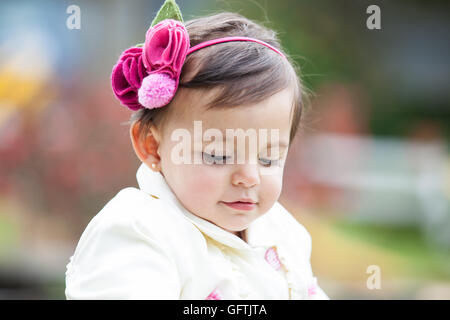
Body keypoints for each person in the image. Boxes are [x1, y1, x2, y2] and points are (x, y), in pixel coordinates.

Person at [65, 0, 329, 300]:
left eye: (268, 158)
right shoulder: (139, 231)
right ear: (153, 146)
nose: (249, 177)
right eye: (218, 155)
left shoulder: (284, 234)